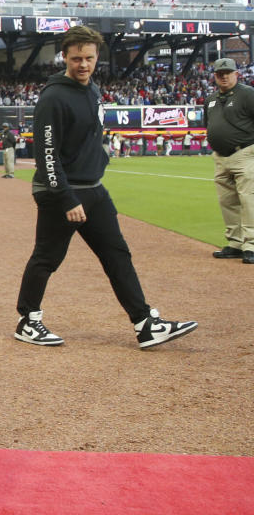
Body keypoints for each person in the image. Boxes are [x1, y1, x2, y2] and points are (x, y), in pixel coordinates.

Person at [14, 26, 197, 349]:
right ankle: (28, 320)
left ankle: (145, 324)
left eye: (89, 58)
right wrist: (67, 197)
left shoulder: (93, 90)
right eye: (76, 59)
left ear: (97, 56)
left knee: (117, 255)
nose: (83, 65)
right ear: (64, 57)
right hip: (61, 193)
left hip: (94, 190)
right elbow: (45, 154)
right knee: (47, 258)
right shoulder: (53, 97)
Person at [203, 58, 254, 263]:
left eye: (227, 72)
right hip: (220, 157)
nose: (223, 76)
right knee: (227, 201)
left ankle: (251, 245)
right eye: (219, 73)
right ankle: (235, 243)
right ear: (214, 76)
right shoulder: (211, 99)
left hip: (245, 153)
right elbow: (210, 124)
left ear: (236, 73)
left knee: (249, 200)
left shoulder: (248, 94)